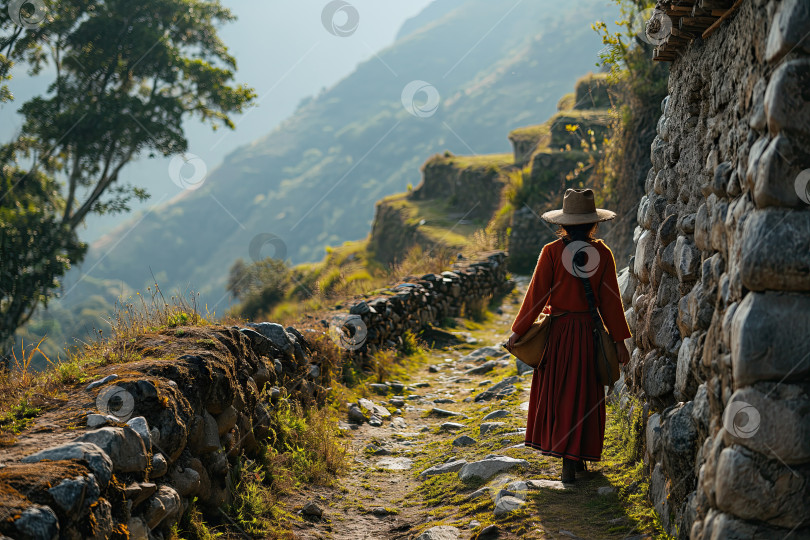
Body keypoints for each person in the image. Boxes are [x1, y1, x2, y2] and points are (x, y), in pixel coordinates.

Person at [506, 188, 631, 483]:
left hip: (559, 335)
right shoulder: (602, 253)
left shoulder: (551, 252)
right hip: (588, 333)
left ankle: (565, 460)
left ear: (563, 223)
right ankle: (576, 460)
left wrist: (518, 331)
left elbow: (536, 297)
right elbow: (612, 302)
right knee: (585, 395)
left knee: (559, 394)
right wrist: (619, 341)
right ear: (593, 224)